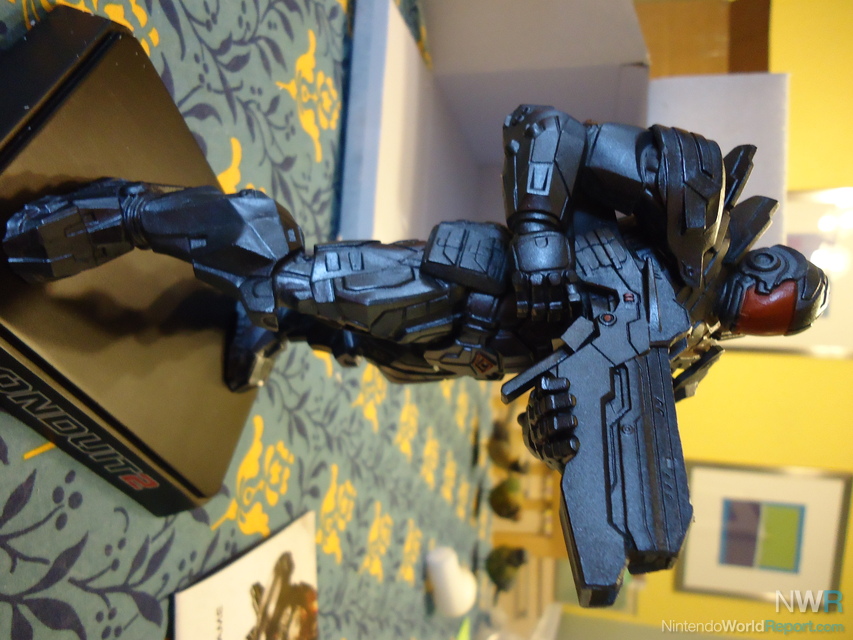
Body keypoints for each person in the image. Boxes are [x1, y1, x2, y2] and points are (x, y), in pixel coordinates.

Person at [3, 105, 828, 606]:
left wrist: (553, 435)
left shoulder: (683, 362)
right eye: (776, 287)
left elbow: (574, 415)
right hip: (470, 278)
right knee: (299, 273)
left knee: (347, 339)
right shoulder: (692, 207)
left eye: (778, 321)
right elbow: (546, 130)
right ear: (767, 261)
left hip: (475, 354)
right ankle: (116, 217)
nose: (763, 308)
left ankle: (272, 315)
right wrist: (539, 242)